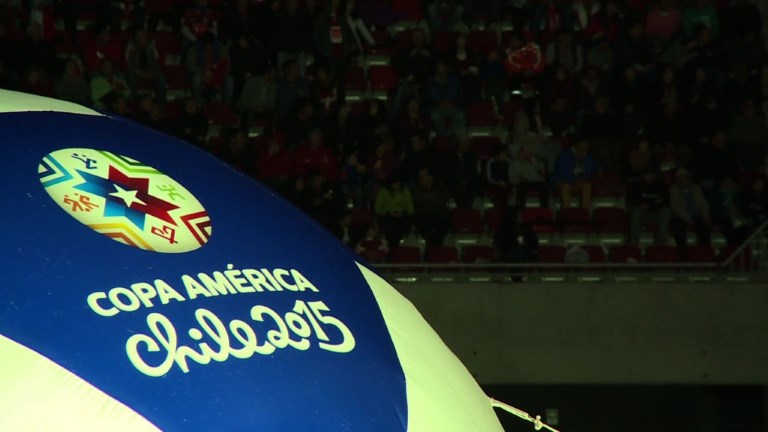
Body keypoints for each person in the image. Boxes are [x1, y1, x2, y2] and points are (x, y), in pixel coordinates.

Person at [669, 168, 711, 257]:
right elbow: (675, 207)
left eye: (687, 177)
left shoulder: (696, 188)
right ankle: (682, 253)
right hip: (680, 216)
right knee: (678, 226)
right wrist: (687, 218)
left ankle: (704, 253)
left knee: (704, 226)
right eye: (683, 177)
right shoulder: (673, 190)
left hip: (696, 214)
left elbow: (703, 203)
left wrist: (705, 215)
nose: (686, 179)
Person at [551, 138, 598, 209]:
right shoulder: (565, 155)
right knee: (566, 187)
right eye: (584, 144)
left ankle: (585, 212)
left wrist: (584, 178)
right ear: (577, 145)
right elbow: (562, 172)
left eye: (587, 144)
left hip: (578, 180)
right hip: (562, 180)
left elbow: (591, 169)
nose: (586, 146)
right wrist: (573, 180)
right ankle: (566, 212)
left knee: (587, 186)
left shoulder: (587, 157)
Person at [627, 171, 671, 246]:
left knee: (666, 211)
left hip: (656, 214)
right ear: (643, 175)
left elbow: (665, 201)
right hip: (641, 214)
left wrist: (650, 205)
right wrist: (652, 203)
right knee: (637, 211)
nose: (649, 177)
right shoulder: (636, 186)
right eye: (647, 174)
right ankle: (633, 242)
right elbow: (634, 200)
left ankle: (661, 242)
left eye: (651, 174)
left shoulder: (661, 186)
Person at [411, 168, 452, 247]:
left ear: (430, 177)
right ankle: (433, 251)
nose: (421, 178)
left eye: (423, 176)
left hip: (440, 215)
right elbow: (419, 198)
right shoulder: (416, 188)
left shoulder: (440, 186)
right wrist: (433, 198)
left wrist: (429, 199)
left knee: (441, 227)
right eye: (420, 176)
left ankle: (434, 251)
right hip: (423, 216)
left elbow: (445, 197)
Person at [374, 176, 414, 248]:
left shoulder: (405, 191)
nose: (396, 185)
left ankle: (396, 248)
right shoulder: (383, 191)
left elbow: (410, 208)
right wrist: (388, 212)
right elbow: (378, 208)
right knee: (390, 226)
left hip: (402, 216)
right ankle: (393, 247)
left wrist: (403, 213)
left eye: (398, 183)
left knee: (402, 225)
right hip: (387, 216)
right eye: (394, 183)